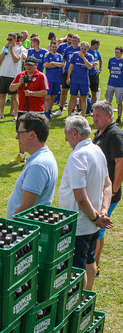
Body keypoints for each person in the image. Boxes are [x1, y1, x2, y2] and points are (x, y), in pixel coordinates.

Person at [59, 115, 112, 290]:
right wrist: (103, 211)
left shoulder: (78, 156)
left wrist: (97, 216)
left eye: (66, 134)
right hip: (92, 225)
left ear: (74, 133)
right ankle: (87, 302)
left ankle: (79, 306)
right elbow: (107, 184)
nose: (65, 138)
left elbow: (80, 198)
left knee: (77, 270)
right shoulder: (97, 150)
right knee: (90, 261)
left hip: (79, 226)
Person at [91, 100, 123, 275]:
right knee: (99, 230)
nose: (95, 119)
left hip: (108, 193)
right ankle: (95, 263)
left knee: (96, 229)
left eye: (99, 116)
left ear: (110, 116)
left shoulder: (115, 135)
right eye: (94, 115)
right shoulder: (101, 132)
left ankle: (92, 265)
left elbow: (121, 163)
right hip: (101, 190)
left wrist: (115, 189)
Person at [7, 113, 58, 217]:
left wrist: (10, 227)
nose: (17, 137)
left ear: (32, 134)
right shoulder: (43, 157)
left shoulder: (38, 166)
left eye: (19, 133)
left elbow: (26, 207)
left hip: (23, 229)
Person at [8, 58, 49, 163]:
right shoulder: (20, 75)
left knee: (37, 134)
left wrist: (31, 93)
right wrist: (19, 83)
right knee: (21, 133)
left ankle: (37, 156)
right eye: (27, 65)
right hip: (22, 109)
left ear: (36, 65)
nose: (29, 67)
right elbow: (11, 88)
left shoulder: (41, 76)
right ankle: (21, 155)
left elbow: (45, 92)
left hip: (37, 110)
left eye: (31, 65)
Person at [0, 32, 24, 120]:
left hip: (13, 75)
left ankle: (15, 115)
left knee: (14, 96)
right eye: (8, 39)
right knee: (2, 94)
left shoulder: (19, 49)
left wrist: (11, 50)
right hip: (4, 74)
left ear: (15, 39)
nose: (9, 41)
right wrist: (5, 50)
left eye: (10, 39)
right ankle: (1, 114)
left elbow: (15, 60)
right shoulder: (4, 47)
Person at [66, 40, 95, 117]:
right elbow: (71, 66)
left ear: (88, 49)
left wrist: (83, 57)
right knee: (72, 97)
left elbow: (89, 66)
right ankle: (69, 116)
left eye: (85, 49)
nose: (83, 50)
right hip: (75, 80)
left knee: (83, 99)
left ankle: (83, 117)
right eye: (82, 48)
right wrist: (68, 77)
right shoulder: (75, 55)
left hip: (84, 81)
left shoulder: (90, 57)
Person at [42, 40, 65, 119]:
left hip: (57, 79)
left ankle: (49, 111)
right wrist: (56, 64)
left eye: (55, 47)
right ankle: (46, 113)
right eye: (53, 47)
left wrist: (53, 63)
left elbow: (62, 64)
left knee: (53, 96)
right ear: (50, 47)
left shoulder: (59, 56)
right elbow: (46, 65)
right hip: (49, 79)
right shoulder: (47, 55)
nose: (54, 48)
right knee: (48, 96)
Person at [105, 45, 123, 123]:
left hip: (120, 85)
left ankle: (118, 118)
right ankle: (108, 117)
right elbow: (110, 70)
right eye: (115, 52)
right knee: (108, 102)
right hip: (111, 83)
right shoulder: (111, 60)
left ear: (121, 53)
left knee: (119, 102)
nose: (116, 54)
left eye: (118, 52)